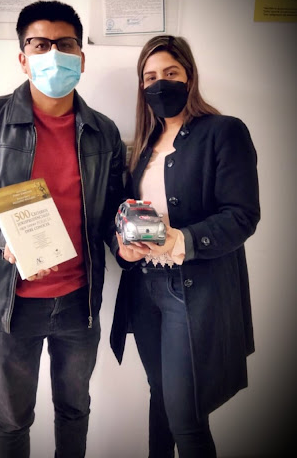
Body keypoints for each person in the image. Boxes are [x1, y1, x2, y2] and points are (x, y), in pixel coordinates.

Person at [0, 0, 125, 458]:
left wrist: (128, 238)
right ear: (23, 58)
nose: (53, 54)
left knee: (75, 410)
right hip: (11, 303)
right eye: (40, 44)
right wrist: (5, 235)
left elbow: (110, 211)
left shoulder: (103, 132)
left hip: (78, 301)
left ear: (81, 58)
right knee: (12, 418)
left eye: (65, 44)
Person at [110, 35, 260, 457]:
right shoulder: (144, 146)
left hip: (191, 292)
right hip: (145, 290)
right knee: (160, 399)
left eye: (170, 72)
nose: (159, 83)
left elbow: (242, 215)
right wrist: (125, 246)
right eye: (150, 77)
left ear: (189, 77)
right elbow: (129, 212)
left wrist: (181, 239)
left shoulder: (224, 132)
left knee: (187, 419)